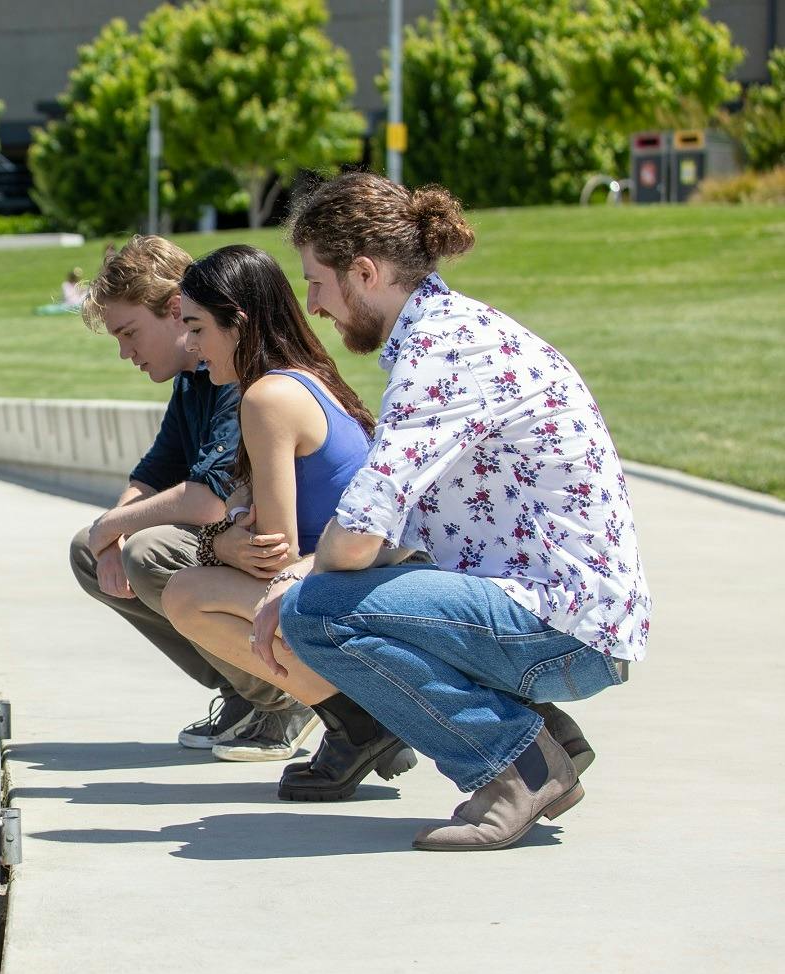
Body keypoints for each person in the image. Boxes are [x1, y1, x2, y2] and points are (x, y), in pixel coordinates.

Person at [247, 171, 647, 851]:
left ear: (364, 272)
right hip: (564, 613)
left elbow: (361, 532)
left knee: (316, 614)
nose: (312, 305)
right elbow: (386, 527)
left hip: (563, 625)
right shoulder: (449, 334)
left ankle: (514, 766)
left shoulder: (443, 352)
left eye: (315, 281)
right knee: (320, 595)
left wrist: (292, 584)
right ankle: (545, 741)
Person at [157, 245, 396, 777]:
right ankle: (357, 718)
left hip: (348, 591)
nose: (191, 347)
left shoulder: (267, 397)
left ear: (238, 324)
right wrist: (228, 529)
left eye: (197, 328)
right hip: (365, 576)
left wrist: (215, 541)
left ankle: (359, 721)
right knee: (194, 581)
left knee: (187, 593)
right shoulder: (305, 375)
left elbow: (275, 553)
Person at [70, 236, 315, 752]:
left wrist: (114, 528)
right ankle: (242, 688)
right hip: (247, 554)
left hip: (299, 567)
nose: (124, 352)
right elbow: (154, 474)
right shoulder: (192, 381)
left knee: (146, 550)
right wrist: (104, 537)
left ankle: (282, 696)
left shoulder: (239, 377)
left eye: (129, 332)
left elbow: (208, 500)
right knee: (90, 552)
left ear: (176, 310)